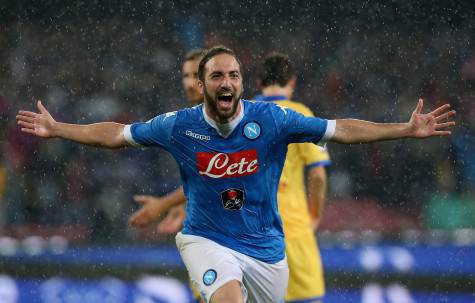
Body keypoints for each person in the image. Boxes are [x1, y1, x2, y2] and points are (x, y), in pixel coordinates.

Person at [16, 46, 455, 303]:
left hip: (267, 250)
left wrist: (405, 128)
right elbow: (115, 135)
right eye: (216, 76)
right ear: (204, 85)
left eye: (233, 75)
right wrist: (59, 129)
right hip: (206, 239)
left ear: (241, 82)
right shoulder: (180, 125)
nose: (226, 82)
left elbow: (343, 130)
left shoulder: (274, 120)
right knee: (226, 296)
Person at [129, 52, 331, 303]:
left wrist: (167, 204)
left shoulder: (242, 117)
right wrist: (313, 216)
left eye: (195, 75)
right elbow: (318, 175)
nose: (191, 82)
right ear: (292, 81)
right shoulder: (275, 115)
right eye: (187, 76)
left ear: (254, 82)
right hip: (288, 232)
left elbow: (219, 177)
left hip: (233, 236)